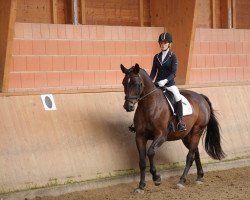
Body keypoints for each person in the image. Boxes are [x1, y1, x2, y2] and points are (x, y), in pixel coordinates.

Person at [150, 32, 187, 132]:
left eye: (165, 43)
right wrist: (150, 81)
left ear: (169, 44)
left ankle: (180, 121)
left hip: (169, 84)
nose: (162, 44)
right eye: (161, 43)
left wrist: (165, 81)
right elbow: (153, 71)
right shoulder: (156, 57)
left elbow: (173, 73)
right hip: (158, 84)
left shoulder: (173, 56)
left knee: (178, 97)